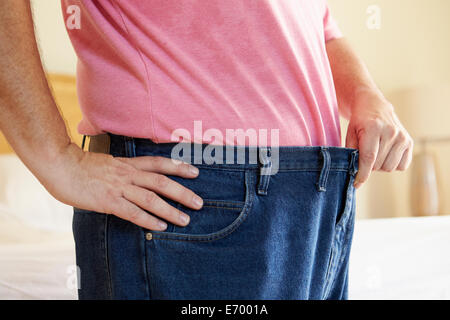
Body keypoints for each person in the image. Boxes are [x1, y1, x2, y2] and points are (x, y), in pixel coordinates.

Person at [0, 0, 413, 300]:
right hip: (196, 198)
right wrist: (57, 158)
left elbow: (315, 22)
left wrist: (366, 93)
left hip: (320, 200)